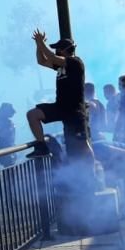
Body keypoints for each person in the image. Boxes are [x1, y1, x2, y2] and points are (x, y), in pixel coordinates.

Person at [25, 31, 93, 168]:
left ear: (64, 50)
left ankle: (94, 171)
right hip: (61, 107)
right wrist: (38, 45)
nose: (56, 50)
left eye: (58, 48)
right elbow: (42, 61)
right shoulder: (61, 66)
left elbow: (50, 56)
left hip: (74, 111)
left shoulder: (75, 62)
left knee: (82, 145)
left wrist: (40, 42)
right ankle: (41, 146)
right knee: (33, 114)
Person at [0, 102, 17, 167]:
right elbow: (0, 134)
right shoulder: (0, 120)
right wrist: (10, 128)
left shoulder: (4, 119)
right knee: (9, 166)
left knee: (10, 166)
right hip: (5, 146)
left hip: (9, 145)